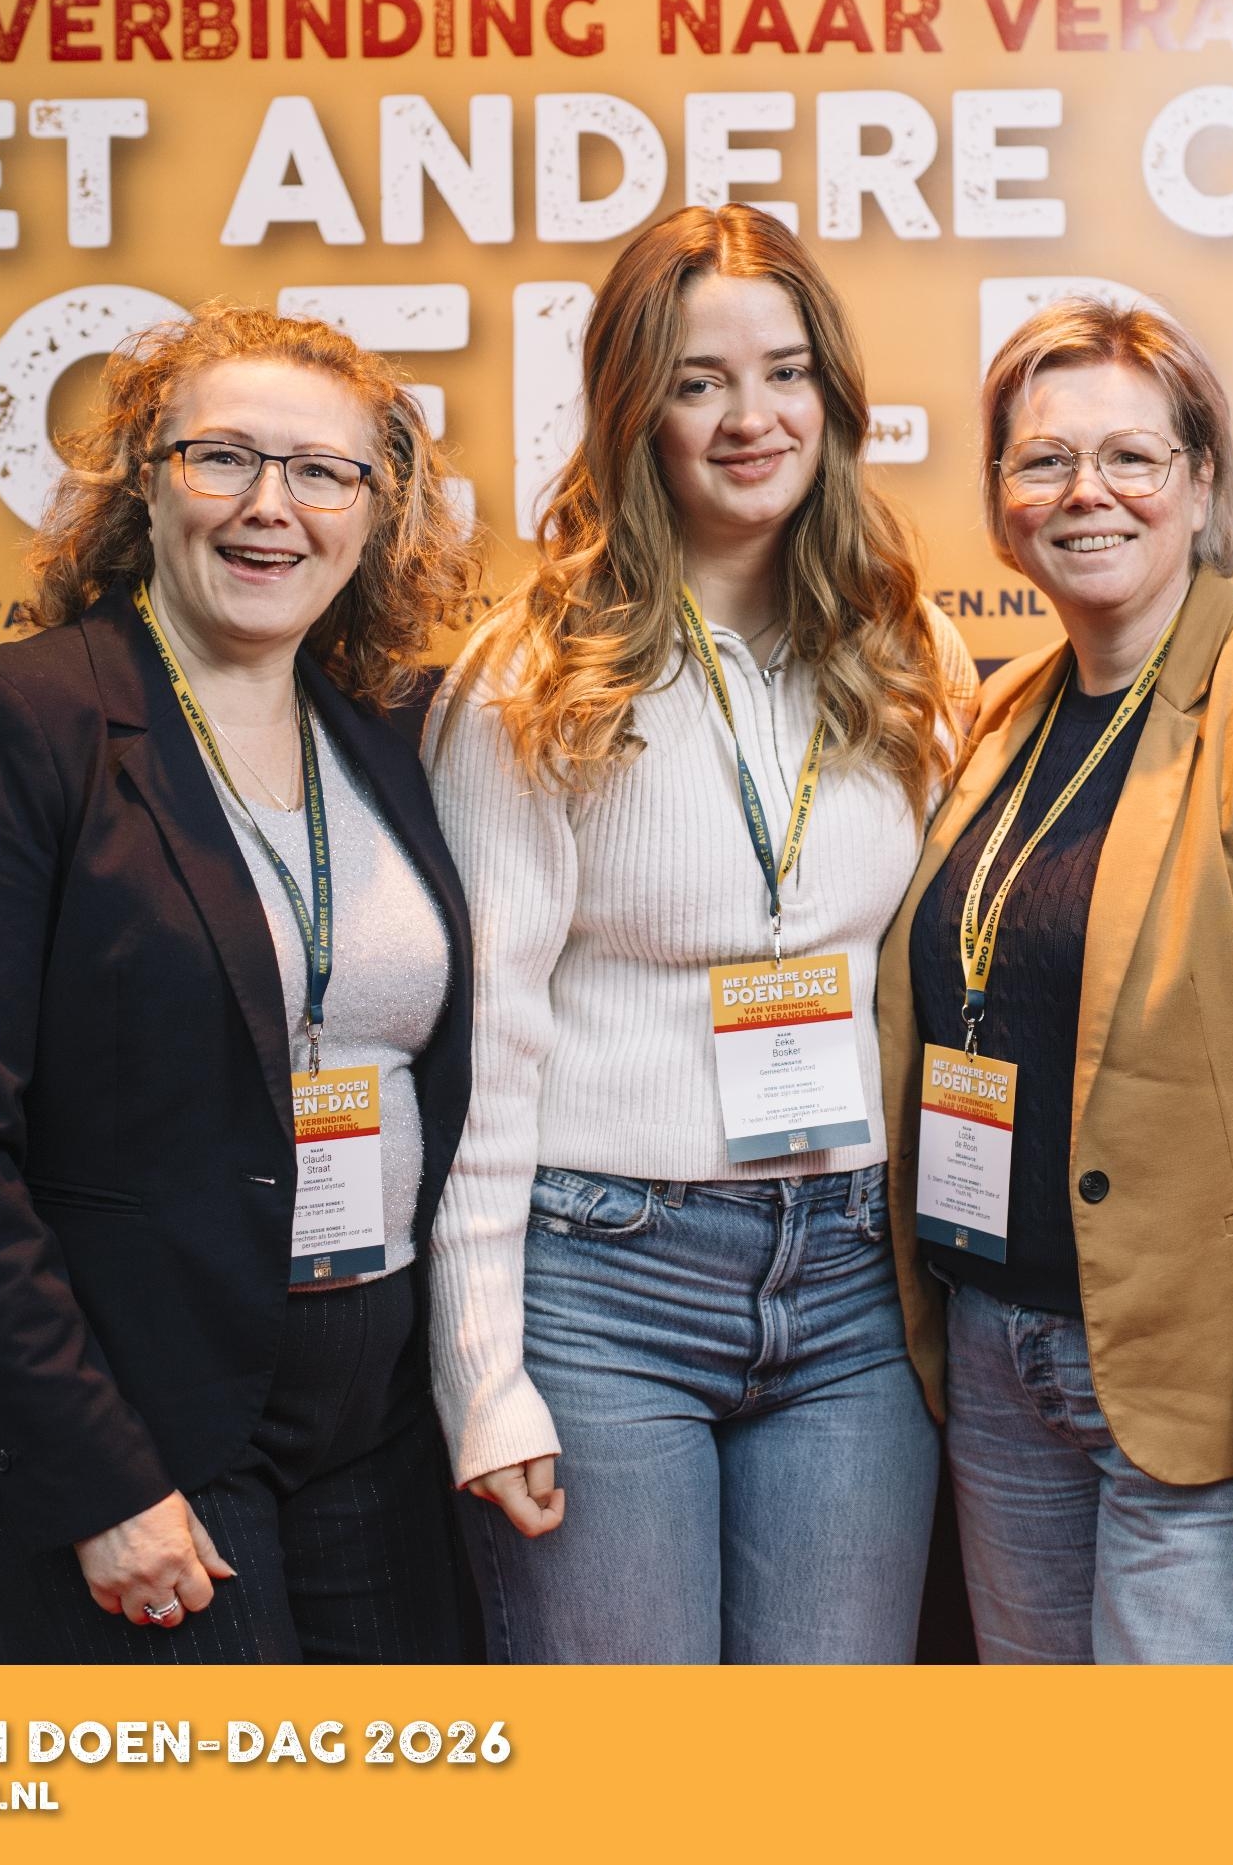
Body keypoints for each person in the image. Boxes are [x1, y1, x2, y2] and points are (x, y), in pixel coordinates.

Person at [0, 302, 483, 1663]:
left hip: (377, 1412)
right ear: (143, 484)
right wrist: (95, 1476)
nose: (272, 506)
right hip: (145, 1419)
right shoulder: (17, 722)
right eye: (225, 458)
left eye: (322, 472)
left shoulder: (384, 734)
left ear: (374, 515)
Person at [878, 296, 1233, 1664]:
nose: (1085, 491)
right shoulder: (1004, 710)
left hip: (1222, 1387)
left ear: (1201, 483)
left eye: (1130, 456)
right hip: (1003, 1359)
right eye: (1042, 460)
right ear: (1002, 501)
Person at [425, 204, 972, 1662]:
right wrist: (482, 1372)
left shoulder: (907, 651)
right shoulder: (533, 675)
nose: (751, 419)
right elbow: (486, 1047)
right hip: (604, 1273)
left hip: (855, 1279)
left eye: (786, 373)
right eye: (698, 381)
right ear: (633, 411)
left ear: (833, 397)